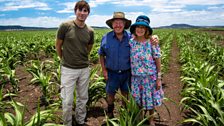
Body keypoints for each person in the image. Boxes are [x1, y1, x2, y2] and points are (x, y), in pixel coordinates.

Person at [55, 0, 94, 126]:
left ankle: (80, 120)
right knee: (67, 100)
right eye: (80, 10)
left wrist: (81, 58)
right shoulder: (65, 26)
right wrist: (64, 59)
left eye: (85, 11)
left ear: (88, 13)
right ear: (75, 11)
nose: (82, 13)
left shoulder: (90, 31)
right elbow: (58, 45)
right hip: (68, 69)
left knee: (83, 98)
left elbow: (89, 48)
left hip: (84, 69)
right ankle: (67, 123)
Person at [129, 15, 164, 126]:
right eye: (138, 27)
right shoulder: (131, 42)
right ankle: (140, 118)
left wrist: (159, 78)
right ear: (134, 29)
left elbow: (158, 60)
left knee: (151, 100)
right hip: (136, 77)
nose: (140, 29)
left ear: (147, 30)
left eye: (143, 27)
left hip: (150, 77)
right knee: (138, 100)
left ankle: (151, 119)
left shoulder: (152, 42)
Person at [98, 12, 132, 118]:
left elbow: (144, 42)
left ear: (124, 24)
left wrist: (153, 38)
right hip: (111, 73)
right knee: (110, 94)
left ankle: (124, 113)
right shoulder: (106, 37)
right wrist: (104, 70)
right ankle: (110, 112)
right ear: (112, 25)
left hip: (127, 73)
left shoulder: (131, 38)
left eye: (120, 22)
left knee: (125, 94)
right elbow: (101, 55)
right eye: (115, 22)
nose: (118, 25)